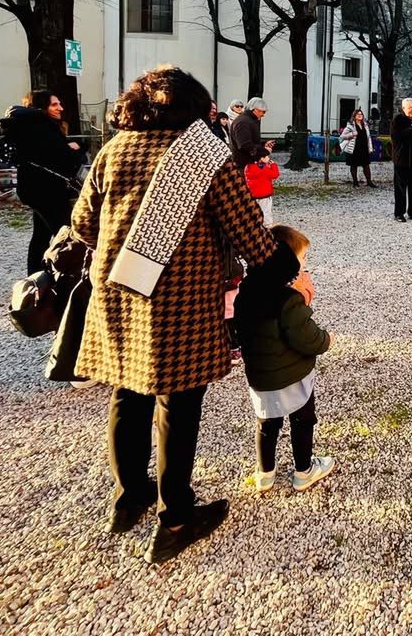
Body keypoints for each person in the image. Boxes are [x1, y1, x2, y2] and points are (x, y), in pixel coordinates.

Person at [70, 66, 291, 565]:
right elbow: (253, 239)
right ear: (194, 107)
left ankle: (130, 496)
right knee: (179, 403)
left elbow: (82, 223)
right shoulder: (205, 158)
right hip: (181, 301)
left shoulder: (114, 150)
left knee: (127, 394)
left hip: (119, 291)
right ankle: (176, 517)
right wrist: (286, 267)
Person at [232, 225, 336, 494]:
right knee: (303, 420)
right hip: (294, 376)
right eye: (301, 260)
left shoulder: (246, 293)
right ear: (285, 262)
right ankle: (304, 470)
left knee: (267, 423)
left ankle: (264, 473)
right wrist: (327, 339)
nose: (303, 267)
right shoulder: (288, 300)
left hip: (261, 376)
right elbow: (307, 337)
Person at [1, 92, 84, 274]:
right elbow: (66, 159)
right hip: (47, 190)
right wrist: (76, 149)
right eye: (54, 105)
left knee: (41, 236)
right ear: (41, 107)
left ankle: (35, 276)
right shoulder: (42, 127)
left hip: (35, 188)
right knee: (68, 233)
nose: (60, 108)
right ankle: (70, 275)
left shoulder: (28, 127)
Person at [229, 96, 273, 170]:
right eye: (263, 111)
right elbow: (244, 145)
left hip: (246, 164)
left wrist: (263, 144)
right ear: (255, 110)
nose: (263, 115)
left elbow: (249, 141)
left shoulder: (247, 120)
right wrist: (264, 151)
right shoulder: (243, 122)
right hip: (243, 165)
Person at [339, 109, 374, 188]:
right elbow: (342, 136)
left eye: (361, 114)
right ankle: (355, 182)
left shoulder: (365, 125)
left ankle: (369, 182)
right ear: (354, 116)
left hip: (364, 149)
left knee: (366, 166)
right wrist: (352, 134)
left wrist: (370, 148)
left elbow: (369, 138)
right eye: (358, 114)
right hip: (354, 149)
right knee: (354, 166)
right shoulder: (350, 125)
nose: (360, 115)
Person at [244, 153, 280, 226]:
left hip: (253, 194)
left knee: (254, 210)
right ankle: (268, 225)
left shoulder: (248, 167)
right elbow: (275, 174)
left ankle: (254, 224)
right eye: (267, 156)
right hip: (265, 195)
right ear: (261, 158)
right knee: (266, 211)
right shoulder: (264, 170)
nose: (268, 158)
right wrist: (273, 165)